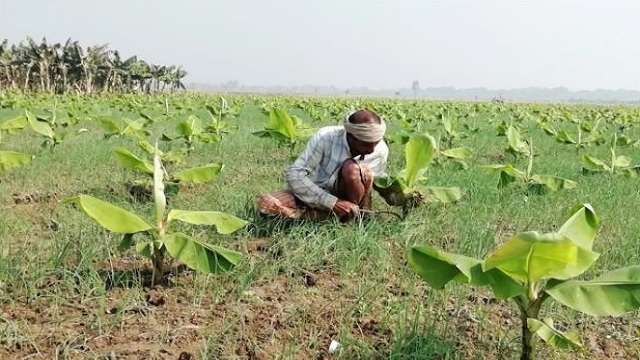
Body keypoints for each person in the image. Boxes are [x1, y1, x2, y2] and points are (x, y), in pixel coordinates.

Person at [257, 109, 391, 222]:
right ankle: (328, 216)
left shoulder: (381, 150)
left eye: (376, 142)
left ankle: (352, 218)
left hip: (356, 202)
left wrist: (403, 195)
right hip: (320, 195)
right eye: (365, 143)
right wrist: (332, 203)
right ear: (350, 135)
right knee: (267, 205)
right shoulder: (326, 137)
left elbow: (379, 182)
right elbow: (295, 175)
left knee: (353, 169)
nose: (371, 150)